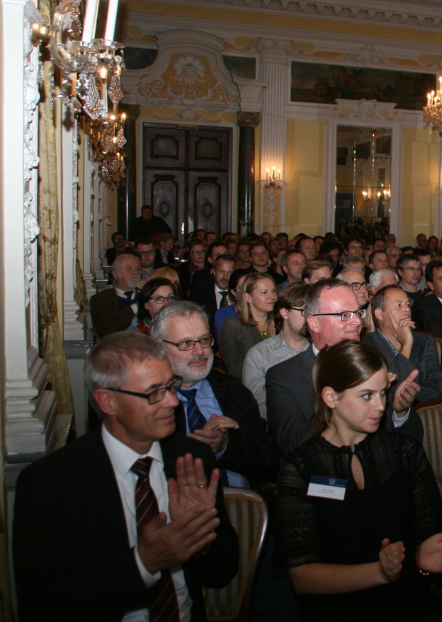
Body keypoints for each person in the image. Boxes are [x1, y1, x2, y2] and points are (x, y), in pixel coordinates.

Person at [13, 332, 239, 620]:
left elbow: (222, 574)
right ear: (107, 402)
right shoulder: (51, 484)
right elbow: (42, 608)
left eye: (171, 386)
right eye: (154, 392)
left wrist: (201, 540)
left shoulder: (191, 459)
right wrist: (144, 563)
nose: (172, 401)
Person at [276, 340, 442, 621]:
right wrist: (378, 572)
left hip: (408, 602)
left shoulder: (404, 452)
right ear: (330, 397)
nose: (380, 406)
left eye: (383, 392)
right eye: (366, 395)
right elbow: (302, 577)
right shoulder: (302, 467)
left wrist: (424, 559)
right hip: (336, 610)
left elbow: (430, 536)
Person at [265, 279, 423, 457]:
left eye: (358, 313)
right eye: (345, 315)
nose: (357, 322)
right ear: (314, 323)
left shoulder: (377, 362)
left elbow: (413, 440)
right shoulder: (284, 376)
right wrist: (349, 404)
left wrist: (400, 412)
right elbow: (293, 447)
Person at [152, 302, 280, 487]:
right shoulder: (147, 402)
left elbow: (270, 463)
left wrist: (226, 445)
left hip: (243, 500)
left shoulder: (233, 391)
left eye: (204, 340)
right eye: (186, 343)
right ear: (159, 348)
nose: (199, 351)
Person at [364, 285, 442, 402]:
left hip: (420, 407)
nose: (407, 309)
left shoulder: (424, 341)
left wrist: (412, 396)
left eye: (408, 304)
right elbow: (386, 388)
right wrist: (407, 344)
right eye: (399, 305)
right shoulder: (368, 345)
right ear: (379, 314)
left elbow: (438, 381)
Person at [243, 283, 312, 420]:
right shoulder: (259, 355)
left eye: (313, 311)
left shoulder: (320, 349)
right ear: (284, 313)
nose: (310, 318)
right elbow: (257, 407)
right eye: (304, 311)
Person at [220, 272, 277, 381]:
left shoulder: (281, 322)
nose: (272, 296)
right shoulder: (232, 326)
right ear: (248, 297)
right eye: (264, 292)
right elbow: (234, 370)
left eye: (273, 291)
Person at [92, 253, 143, 338]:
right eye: (128, 268)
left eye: (137, 269)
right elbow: (103, 328)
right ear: (115, 274)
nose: (135, 272)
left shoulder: (148, 295)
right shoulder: (101, 298)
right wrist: (136, 305)